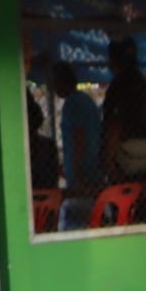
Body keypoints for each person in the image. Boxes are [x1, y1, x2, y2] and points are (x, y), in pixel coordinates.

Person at [51, 62, 102, 230]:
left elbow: (78, 137)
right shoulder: (86, 100)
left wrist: (76, 170)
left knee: (76, 220)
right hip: (93, 169)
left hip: (82, 174)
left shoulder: (72, 103)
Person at [100, 36, 146, 182]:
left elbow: (114, 125)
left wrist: (109, 162)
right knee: (141, 190)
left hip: (124, 152)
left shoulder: (118, 86)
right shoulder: (144, 85)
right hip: (145, 150)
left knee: (123, 193)